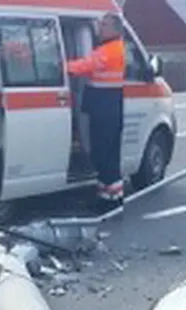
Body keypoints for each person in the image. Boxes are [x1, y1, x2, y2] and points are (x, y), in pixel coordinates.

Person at [67, 13, 126, 203]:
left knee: (103, 152)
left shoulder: (111, 50)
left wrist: (60, 66)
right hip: (107, 106)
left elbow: (85, 66)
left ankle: (112, 197)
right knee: (107, 153)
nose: (100, 28)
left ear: (115, 28)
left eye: (105, 25)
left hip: (106, 107)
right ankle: (106, 195)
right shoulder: (109, 48)